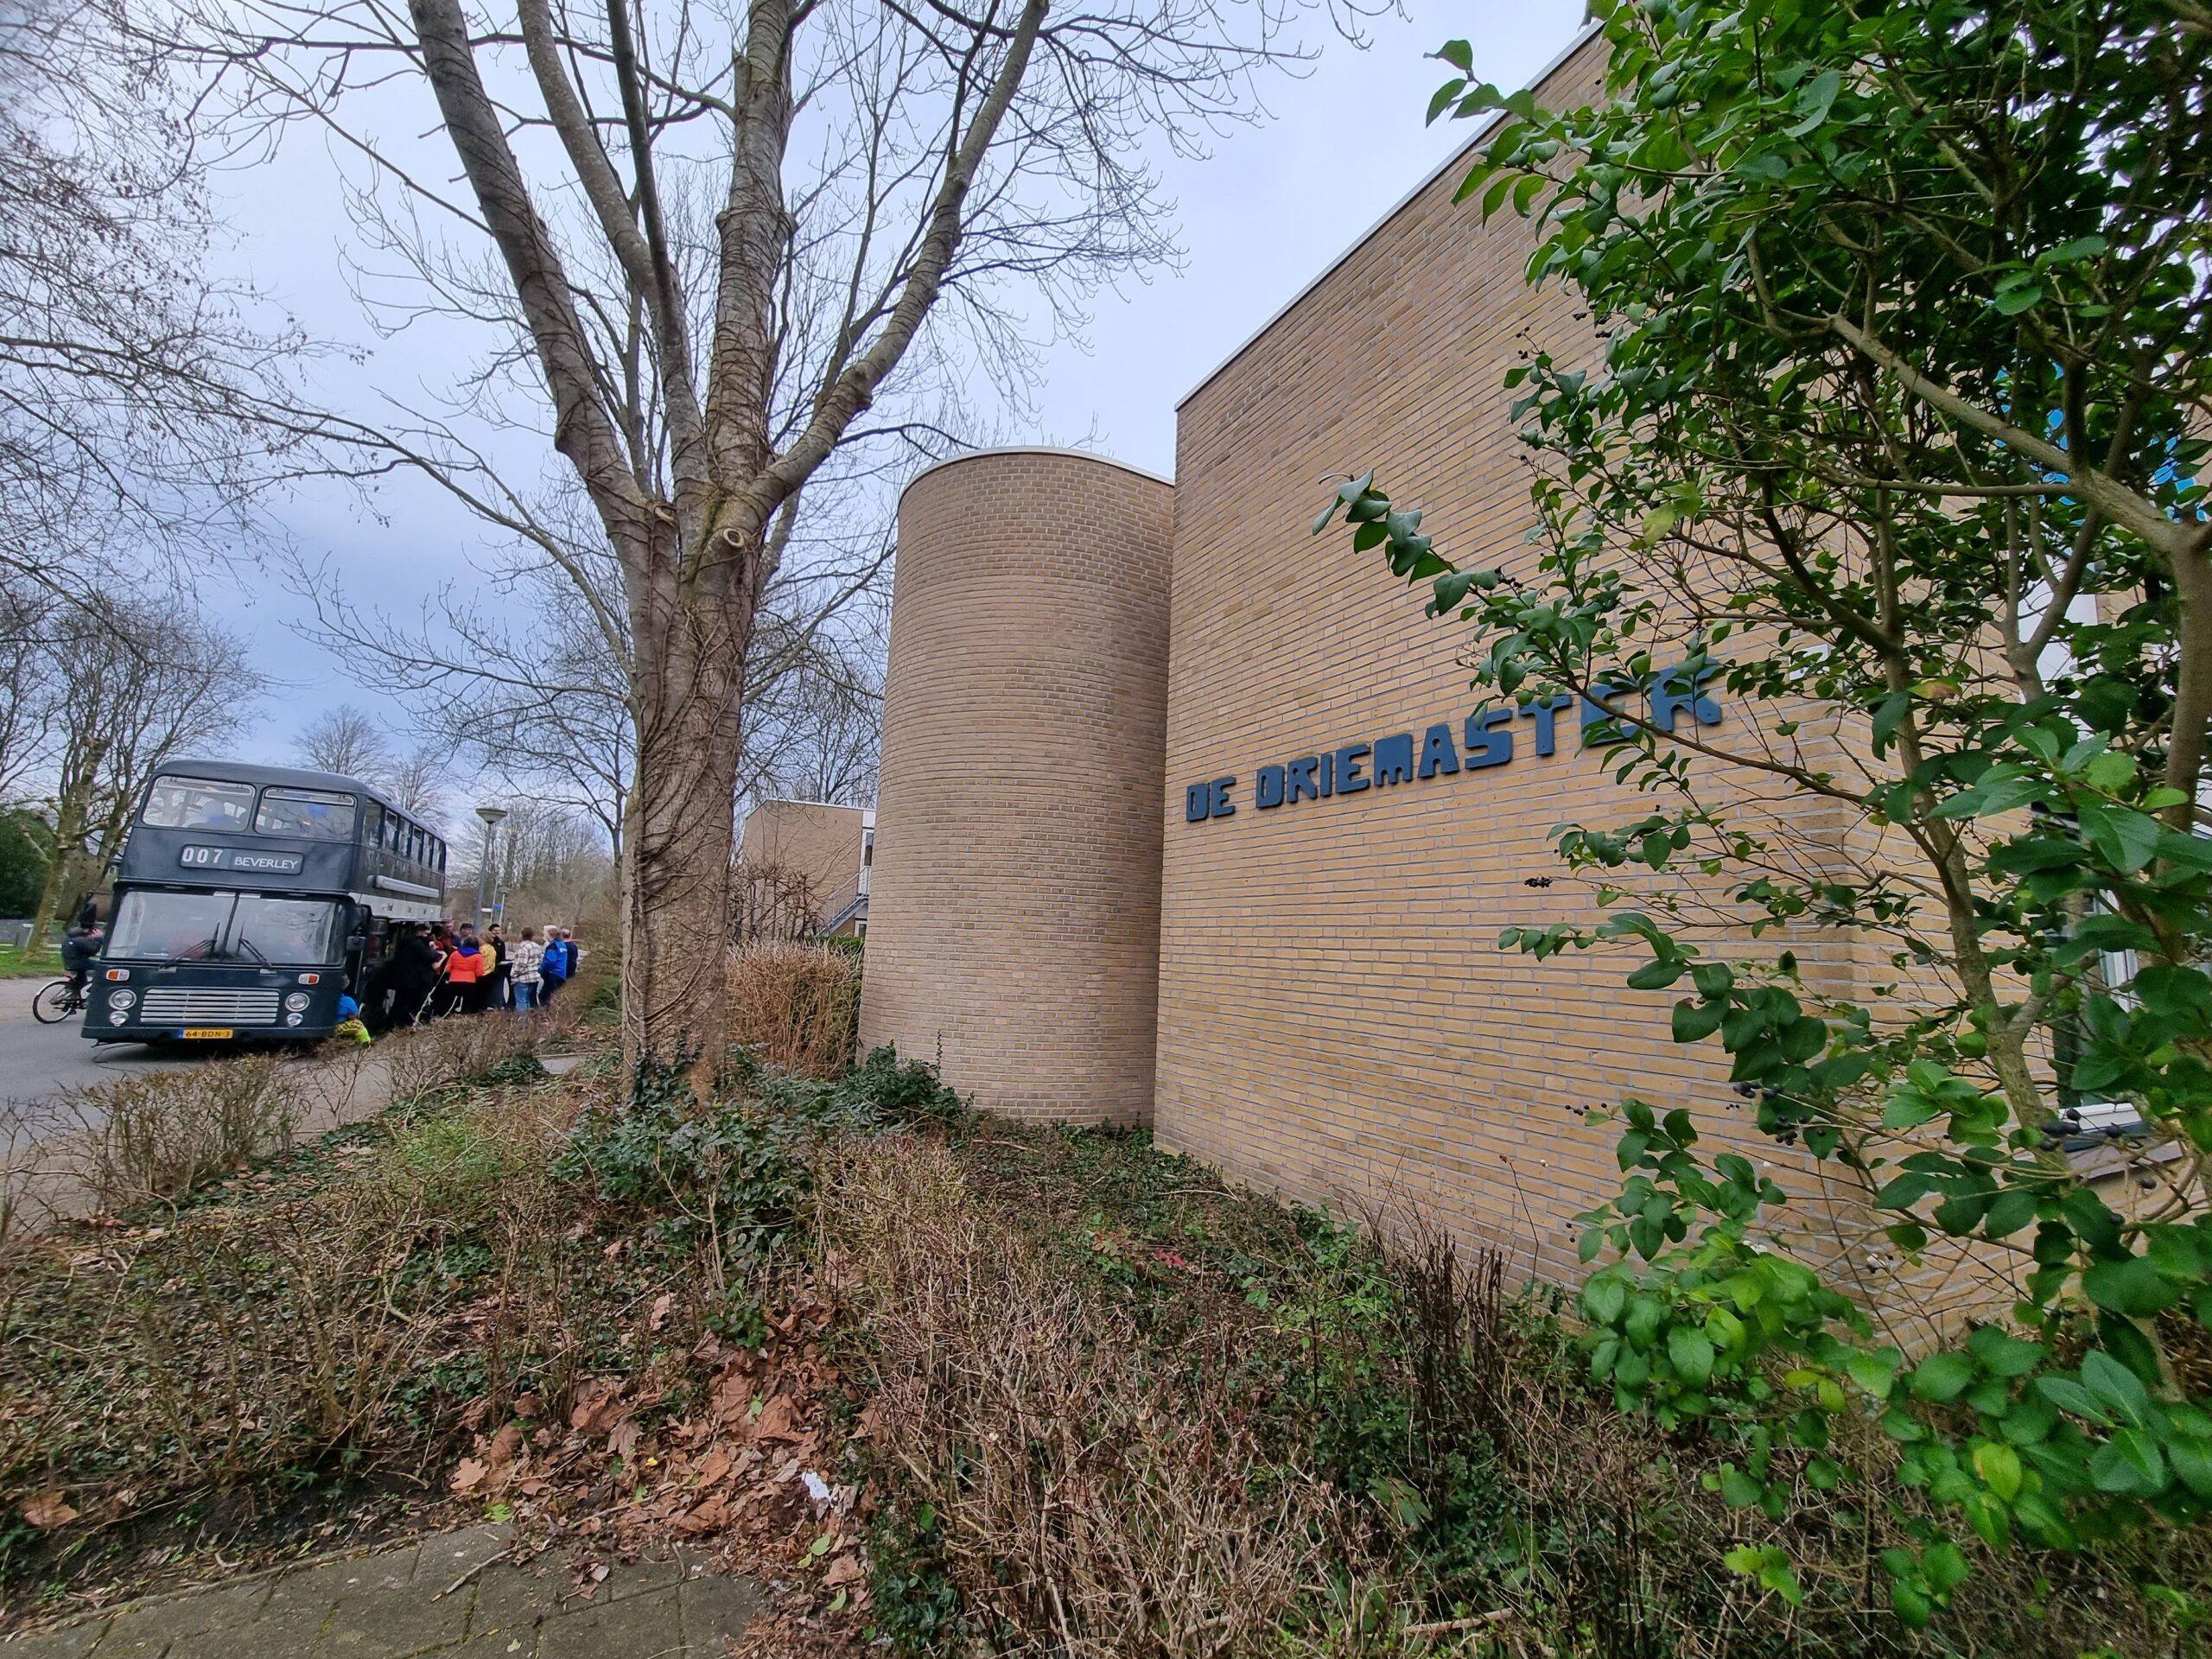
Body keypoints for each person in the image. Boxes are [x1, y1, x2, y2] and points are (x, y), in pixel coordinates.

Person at [385, 923, 440, 1029]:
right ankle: (403, 1023)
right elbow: (431, 957)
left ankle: (392, 1023)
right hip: (414, 980)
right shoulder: (418, 944)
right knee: (410, 1002)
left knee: (400, 1001)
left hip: (403, 978)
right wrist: (433, 948)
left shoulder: (404, 942)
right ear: (421, 932)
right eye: (426, 934)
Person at [434, 924, 483, 1017]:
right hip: (470, 981)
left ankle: (447, 1016)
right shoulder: (478, 956)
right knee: (467, 1002)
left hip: (454, 980)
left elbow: (447, 969)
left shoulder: (455, 953)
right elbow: (480, 972)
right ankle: (464, 1018)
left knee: (450, 1001)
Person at [60, 915, 105, 998]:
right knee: (102, 967)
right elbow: (92, 951)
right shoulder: (82, 937)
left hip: (69, 961)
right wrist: (98, 939)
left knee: (81, 981)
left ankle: (69, 1000)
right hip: (78, 962)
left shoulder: (72, 934)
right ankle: (93, 989)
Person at [508, 926, 544, 1019]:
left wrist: (513, 974)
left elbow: (521, 964)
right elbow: (540, 961)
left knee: (521, 1001)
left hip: (523, 979)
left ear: (522, 935)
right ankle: (529, 1021)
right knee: (527, 1000)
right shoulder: (537, 946)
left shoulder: (523, 947)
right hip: (534, 977)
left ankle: (522, 1023)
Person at [538, 926, 570, 1005]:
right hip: (561, 974)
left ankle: (545, 1014)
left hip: (552, 974)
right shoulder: (562, 945)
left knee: (543, 996)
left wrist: (541, 970)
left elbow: (550, 961)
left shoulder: (552, 946)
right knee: (554, 996)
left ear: (549, 935)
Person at [483, 924, 510, 1010]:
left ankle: (498, 1003)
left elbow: (503, 955)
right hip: (487, 969)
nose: (497, 932)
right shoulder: (486, 942)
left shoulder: (501, 942)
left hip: (498, 968)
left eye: (498, 930)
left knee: (498, 987)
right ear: (490, 931)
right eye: (495, 930)